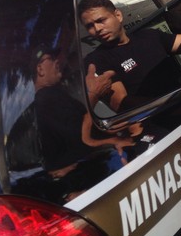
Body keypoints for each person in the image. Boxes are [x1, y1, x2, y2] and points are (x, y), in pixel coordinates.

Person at [31, 44, 133, 196]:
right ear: (40, 69)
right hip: (91, 182)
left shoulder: (52, 97)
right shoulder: (47, 100)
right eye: (52, 58)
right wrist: (93, 94)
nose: (57, 62)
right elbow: (80, 137)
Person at [78, 0, 181, 112]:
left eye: (101, 20)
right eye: (90, 26)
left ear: (118, 15)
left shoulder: (149, 35)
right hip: (160, 121)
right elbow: (121, 103)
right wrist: (179, 104)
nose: (97, 29)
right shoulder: (95, 61)